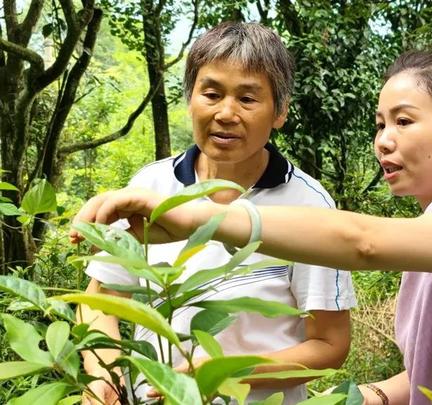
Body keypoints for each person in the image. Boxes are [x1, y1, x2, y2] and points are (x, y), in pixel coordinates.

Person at [73, 50, 432, 405]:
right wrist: (370, 395)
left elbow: (362, 242)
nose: (383, 141)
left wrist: (194, 218)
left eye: (403, 121)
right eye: (380, 124)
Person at [78, 22, 356, 405]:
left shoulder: (308, 204)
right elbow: (100, 298)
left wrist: (220, 371)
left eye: (247, 99)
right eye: (211, 93)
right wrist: (103, 375)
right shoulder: (149, 187)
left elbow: (329, 345)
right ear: (189, 98)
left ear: (280, 112)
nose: (226, 113)